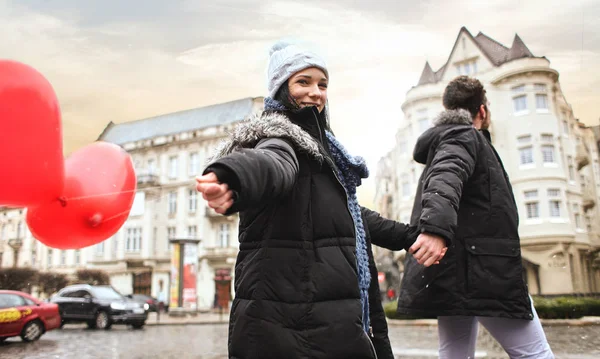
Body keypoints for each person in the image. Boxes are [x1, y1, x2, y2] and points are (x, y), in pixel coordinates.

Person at [195, 42, 445, 359]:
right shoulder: (279, 138)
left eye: (322, 84)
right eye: (304, 82)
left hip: (324, 313)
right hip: (292, 318)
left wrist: (412, 237)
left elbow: (350, 214)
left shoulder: (324, 151)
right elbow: (270, 164)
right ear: (281, 88)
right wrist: (233, 178)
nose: (316, 92)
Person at [396, 76, 554, 358]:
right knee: (534, 353)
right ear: (481, 111)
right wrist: (435, 229)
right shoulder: (464, 136)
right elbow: (447, 176)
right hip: (483, 269)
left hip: (455, 268)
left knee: (455, 353)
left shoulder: (451, 140)